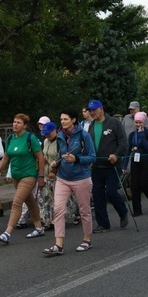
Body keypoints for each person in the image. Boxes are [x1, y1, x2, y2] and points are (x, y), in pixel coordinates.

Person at [43, 109, 96, 256]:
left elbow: (92, 157)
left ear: (73, 120)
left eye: (65, 119)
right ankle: (58, 244)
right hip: (63, 178)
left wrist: (77, 159)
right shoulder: (60, 135)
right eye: (61, 119)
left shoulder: (83, 135)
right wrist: (56, 162)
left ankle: (87, 240)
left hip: (81, 178)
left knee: (84, 211)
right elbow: (61, 154)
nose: (63, 122)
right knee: (58, 209)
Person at [0, 113, 45, 244]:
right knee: (30, 202)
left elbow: (40, 157)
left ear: (25, 125)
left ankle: (7, 233)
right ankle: (39, 228)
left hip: (29, 175)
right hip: (16, 175)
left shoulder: (30, 138)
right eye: (14, 122)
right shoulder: (10, 139)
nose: (15, 124)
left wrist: (41, 176)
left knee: (16, 202)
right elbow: (5, 158)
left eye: (19, 122)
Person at [87, 99, 129, 233]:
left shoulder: (114, 123)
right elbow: (89, 145)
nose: (92, 112)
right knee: (97, 194)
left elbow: (123, 143)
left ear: (101, 109)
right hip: (97, 166)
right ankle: (103, 224)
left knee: (111, 192)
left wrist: (116, 155)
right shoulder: (91, 126)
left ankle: (123, 212)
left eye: (94, 110)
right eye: (90, 110)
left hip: (112, 165)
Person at [123, 111, 148, 216]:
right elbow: (128, 151)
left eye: (140, 122)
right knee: (134, 186)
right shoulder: (132, 135)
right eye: (136, 122)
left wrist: (142, 135)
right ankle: (137, 210)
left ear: (144, 122)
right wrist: (124, 165)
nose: (138, 125)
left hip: (146, 161)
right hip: (135, 161)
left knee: (144, 184)